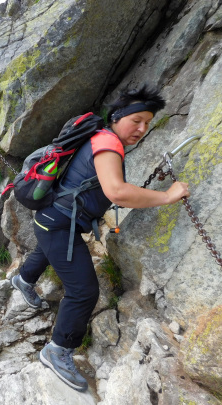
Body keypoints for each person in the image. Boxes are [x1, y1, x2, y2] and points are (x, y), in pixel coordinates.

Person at [11, 85, 190, 392]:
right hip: (58, 224)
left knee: (47, 249)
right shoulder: (109, 142)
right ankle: (58, 350)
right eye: (136, 120)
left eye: (147, 122)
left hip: (51, 219)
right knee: (83, 291)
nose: (142, 128)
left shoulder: (100, 138)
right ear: (118, 117)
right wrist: (167, 196)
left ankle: (23, 280)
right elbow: (117, 190)